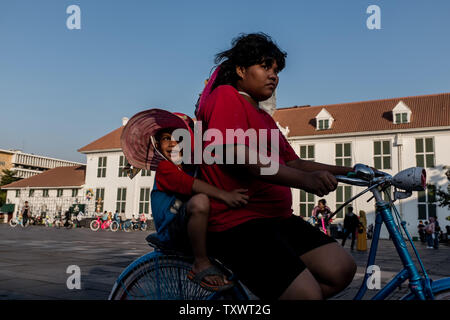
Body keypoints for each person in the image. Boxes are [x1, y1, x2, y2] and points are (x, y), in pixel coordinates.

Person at [195, 33, 356, 300]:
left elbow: (295, 162)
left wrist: (352, 171)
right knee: (307, 296)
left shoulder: (265, 118)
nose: (273, 75)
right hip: (240, 223)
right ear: (240, 69)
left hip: (278, 219)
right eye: (265, 66)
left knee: (342, 269)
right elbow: (237, 154)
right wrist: (305, 181)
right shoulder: (226, 96)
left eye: (276, 70)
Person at [150, 120, 250, 292]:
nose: (173, 142)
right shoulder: (164, 168)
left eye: (179, 139)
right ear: (157, 145)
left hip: (191, 227)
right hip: (171, 228)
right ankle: (201, 262)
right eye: (167, 138)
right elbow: (190, 184)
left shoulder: (191, 167)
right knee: (201, 201)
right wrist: (225, 195)